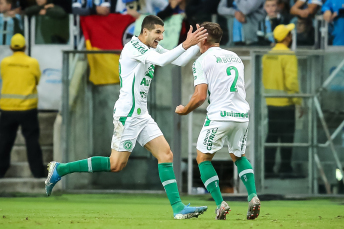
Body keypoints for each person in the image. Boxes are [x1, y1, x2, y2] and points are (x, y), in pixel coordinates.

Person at [45, 15, 209, 220]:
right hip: (127, 114)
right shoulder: (134, 47)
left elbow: (179, 60)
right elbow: (163, 60)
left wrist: (198, 44)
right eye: (157, 32)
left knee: (166, 155)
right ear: (145, 31)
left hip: (141, 115)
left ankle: (178, 208)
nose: (160, 37)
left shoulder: (152, 48)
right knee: (116, 164)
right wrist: (186, 43)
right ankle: (61, 169)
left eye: (162, 33)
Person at [175, 22, 260, 220]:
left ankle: (220, 203)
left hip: (219, 115)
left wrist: (185, 110)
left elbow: (200, 96)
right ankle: (253, 196)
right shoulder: (234, 56)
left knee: (203, 158)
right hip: (241, 115)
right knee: (238, 156)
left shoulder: (202, 60)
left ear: (203, 39)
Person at [0, 34, 45, 178]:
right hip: (27, 108)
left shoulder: (4, 62)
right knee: (32, 141)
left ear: (11, 47)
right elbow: (37, 80)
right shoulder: (32, 63)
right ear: (25, 47)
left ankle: (1, 171)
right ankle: (37, 172)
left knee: (4, 142)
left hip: (7, 109)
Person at [262, 24, 303, 179]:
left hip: (270, 103)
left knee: (271, 137)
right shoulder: (288, 55)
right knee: (287, 138)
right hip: (286, 103)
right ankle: (285, 168)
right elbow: (291, 82)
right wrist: (298, 101)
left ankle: (268, 169)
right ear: (287, 38)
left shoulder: (267, 55)